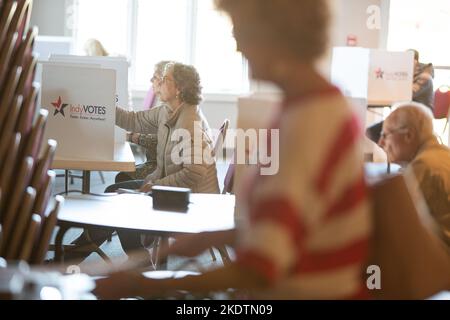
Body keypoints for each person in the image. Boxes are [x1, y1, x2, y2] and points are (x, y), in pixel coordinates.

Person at [94, 0, 372, 300]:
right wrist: (212, 238)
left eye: (241, 27)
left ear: (275, 32)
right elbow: (291, 228)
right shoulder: (317, 105)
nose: (237, 44)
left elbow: (258, 268)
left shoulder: (306, 122)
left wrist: (147, 286)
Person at [67, 62, 219, 266]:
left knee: (119, 203)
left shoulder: (190, 123)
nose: (159, 83)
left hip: (193, 202)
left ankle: (134, 263)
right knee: (116, 194)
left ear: (179, 88)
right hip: (173, 192)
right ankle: (78, 257)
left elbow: (193, 173)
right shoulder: (167, 111)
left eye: (165, 80)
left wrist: (156, 184)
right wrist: (103, 104)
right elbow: (133, 120)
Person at [378, 102, 450, 246]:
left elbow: (399, 226)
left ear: (409, 135)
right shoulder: (444, 156)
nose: (380, 143)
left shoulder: (423, 166)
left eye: (385, 135)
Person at [114, 61, 172, 183]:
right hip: (158, 165)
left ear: (165, 81)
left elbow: (162, 141)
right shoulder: (164, 108)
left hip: (163, 170)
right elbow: (134, 119)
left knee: (121, 177)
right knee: (121, 177)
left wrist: (131, 137)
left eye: (155, 77)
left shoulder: (173, 111)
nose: (151, 80)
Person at [366, 49, 434, 143]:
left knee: (374, 132)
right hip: (407, 116)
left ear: (415, 61)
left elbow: (406, 95)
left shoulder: (424, 77)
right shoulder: (409, 76)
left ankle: (390, 155)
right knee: (372, 132)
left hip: (418, 119)